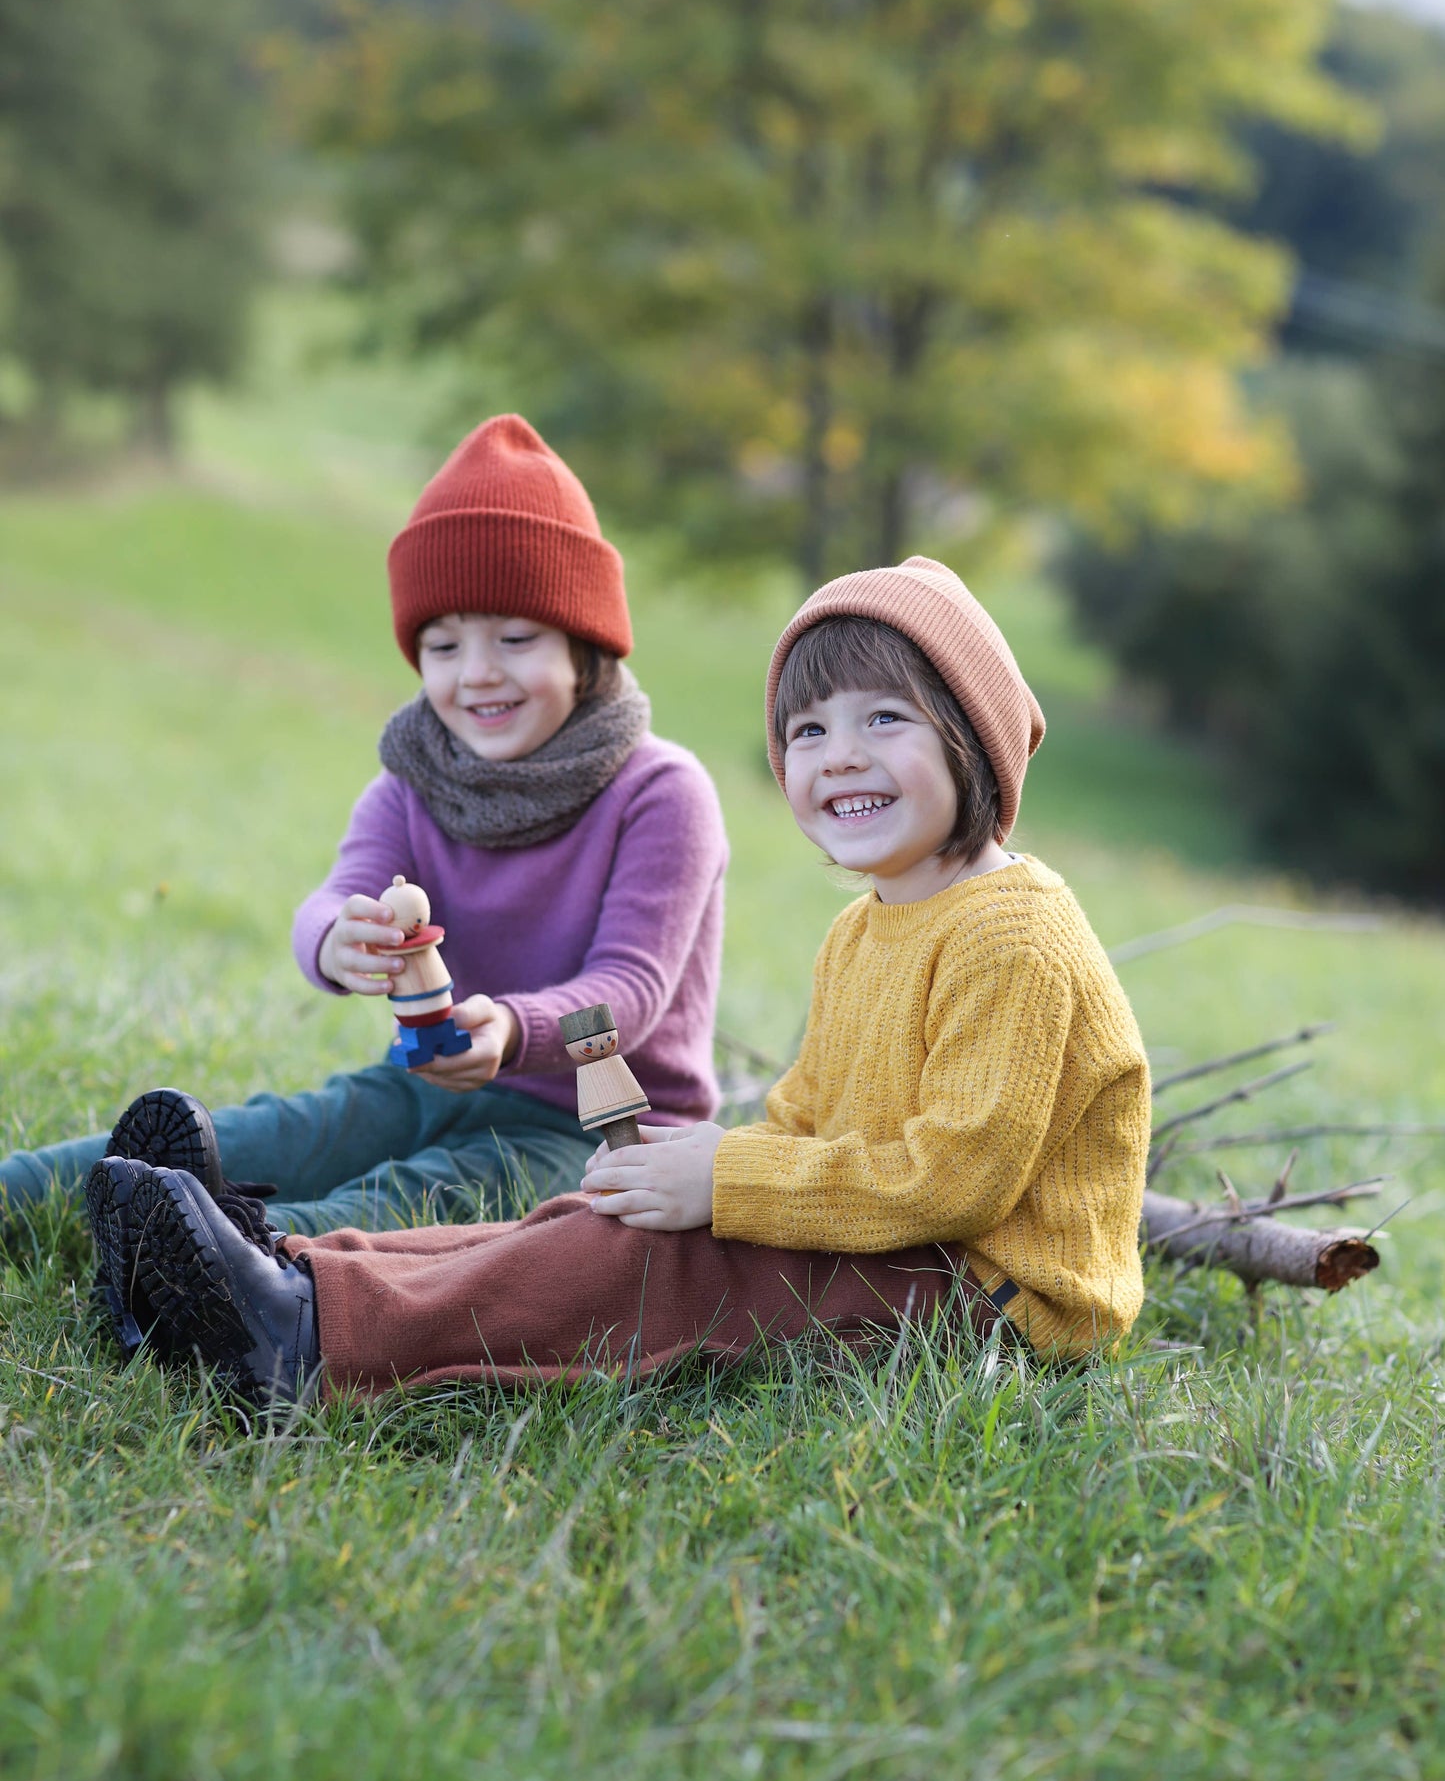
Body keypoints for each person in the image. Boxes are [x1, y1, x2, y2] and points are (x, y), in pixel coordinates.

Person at [85, 556, 1151, 1404]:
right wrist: (711, 1170)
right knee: (595, 1218)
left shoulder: (1013, 937)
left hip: (989, 1292)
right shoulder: (864, 927)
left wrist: (727, 1181)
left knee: (676, 1266)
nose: (838, 756)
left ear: (974, 741)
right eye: (807, 731)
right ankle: (294, 1266)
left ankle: (308, 1341)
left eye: (885, 719)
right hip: (891, 1235)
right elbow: (812, 1115)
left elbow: (954, 1179)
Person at [4, 415, 727, 1312]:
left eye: (516, 637)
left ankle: (227, 1261)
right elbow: (333, 899)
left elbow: (631, 987)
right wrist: (337, 941)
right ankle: (34, 1193)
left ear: (585, 649)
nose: (477, 674)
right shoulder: (415, 782)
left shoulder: (660, 792)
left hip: (598, 1124)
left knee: (423, 1193)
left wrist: (508, 1030)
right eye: (444, 644)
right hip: (422, 1079)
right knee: (288, 1129)